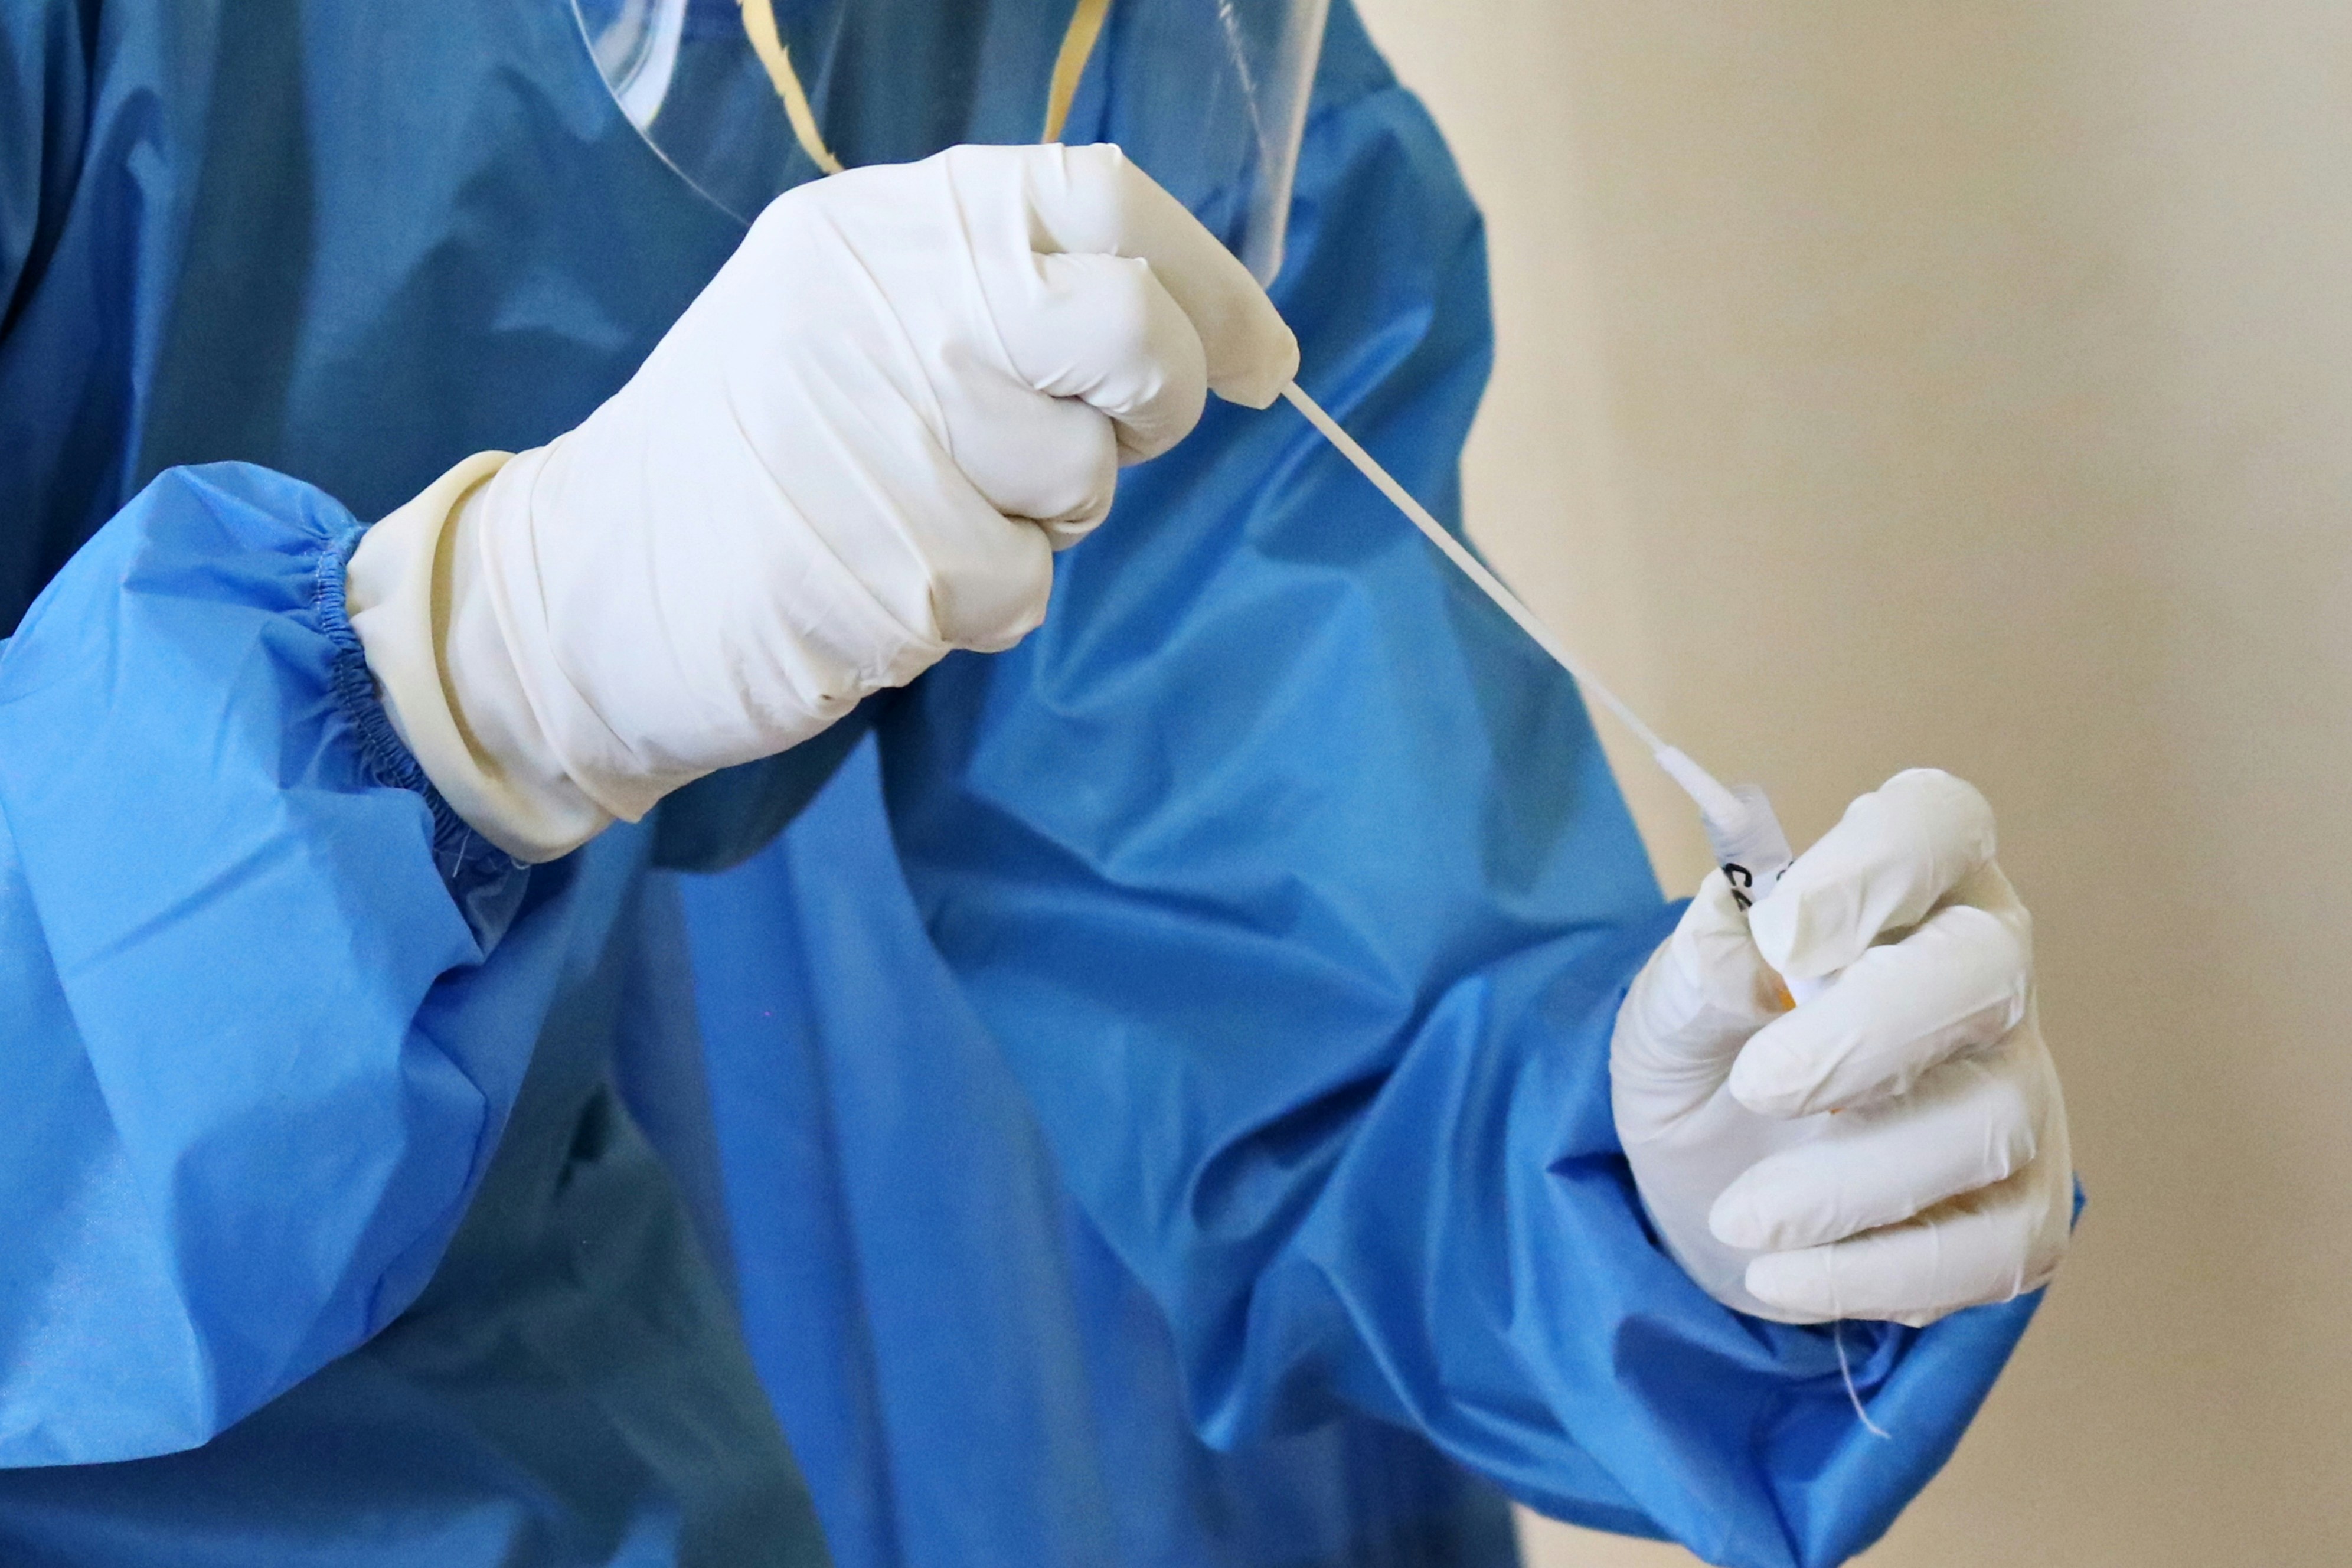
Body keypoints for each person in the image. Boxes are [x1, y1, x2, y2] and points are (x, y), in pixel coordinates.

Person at [0, 2, 2073, 1566]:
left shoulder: (1123, 52)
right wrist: (471, 671)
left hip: (524, 1472)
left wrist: (1686, 1193)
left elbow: (1301, 907)